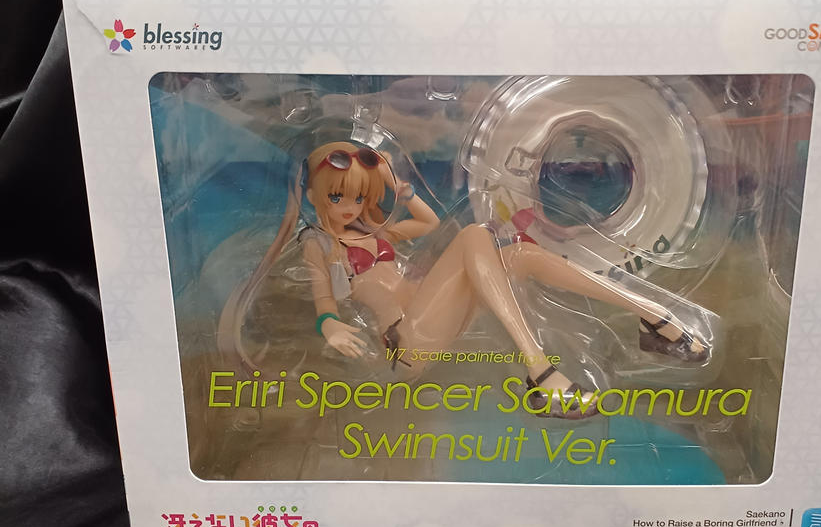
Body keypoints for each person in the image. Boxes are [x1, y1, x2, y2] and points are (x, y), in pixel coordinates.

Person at [220, 141, 709, 421]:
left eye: (357, 196)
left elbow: (429, 224)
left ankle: (653, 316)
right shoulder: (319, 244)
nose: (348, 207)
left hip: (432, 318)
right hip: (406, 344)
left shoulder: (377, 233)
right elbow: (323, 300)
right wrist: (329, 326)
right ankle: (540, 372)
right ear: (313, 196)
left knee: (518, 255)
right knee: (476, 235)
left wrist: (400, 190)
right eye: (336, 198)